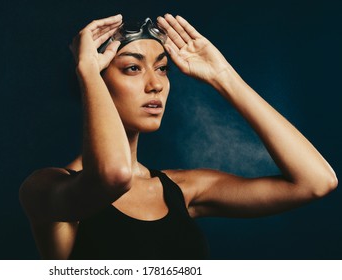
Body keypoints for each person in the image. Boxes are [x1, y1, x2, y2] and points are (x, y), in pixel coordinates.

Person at [19, 14, 338, 259]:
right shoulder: (48, 189)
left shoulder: (182, 190)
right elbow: (113, 176)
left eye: (162, 68)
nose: (155, 84)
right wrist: (88, 70)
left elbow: (315, 181)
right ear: (93, 81)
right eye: (133, 68)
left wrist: (223, 76)